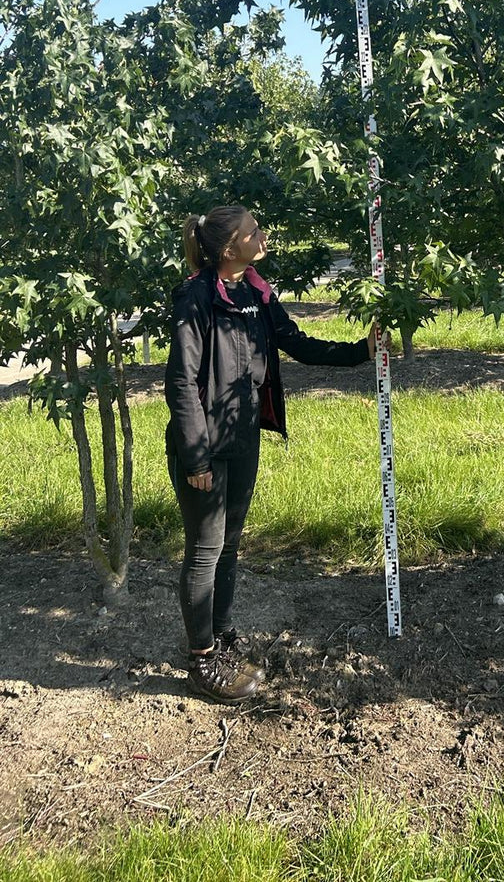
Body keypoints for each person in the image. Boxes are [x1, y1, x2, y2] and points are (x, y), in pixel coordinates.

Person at [164, 205, 377, 703]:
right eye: (252, 231)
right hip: (205, 444)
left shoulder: (256, 292)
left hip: (243, 437)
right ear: (226, 247)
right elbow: (180, 382)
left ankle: (222, 636)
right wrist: (195, 458)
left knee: (230, 544)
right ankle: (201, 661)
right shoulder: (196, 298)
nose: (262, 235)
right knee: (204, 548)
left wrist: (360, 351)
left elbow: (296, 343)